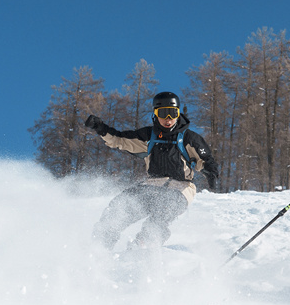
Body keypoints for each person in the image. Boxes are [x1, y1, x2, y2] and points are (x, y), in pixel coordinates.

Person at [85, 92, 219, 250]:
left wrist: (211, 173)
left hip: (181, 188)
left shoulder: (190, 138)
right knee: (119, 207)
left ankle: (145, 244)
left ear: (178, 113)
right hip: (151, 185)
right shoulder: (148, 136)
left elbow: (206, 160)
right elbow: (119, 139)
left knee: (163, 211)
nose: (168, 118)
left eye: (172, 113)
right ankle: (99, 247)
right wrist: (100, 127)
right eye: (163, 113)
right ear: (155, 114)